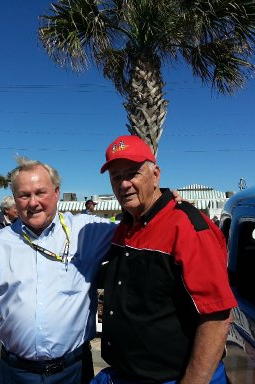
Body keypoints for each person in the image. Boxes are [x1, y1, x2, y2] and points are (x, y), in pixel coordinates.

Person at [0, 157, 117, 384]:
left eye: (40, 192)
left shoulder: (87, 231)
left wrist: (172, 205)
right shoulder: (3, 241)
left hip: (72, 372)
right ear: (15, 200)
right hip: (15, 373)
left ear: (57, 193)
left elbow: (140, 225)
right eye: (24, 195)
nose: (33, 202)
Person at [92, 135, 238, 384]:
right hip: (124, 373)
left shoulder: (187, 226)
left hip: (173, 377)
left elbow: (218, 316)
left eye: (132, 173)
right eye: (116, 177)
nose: (124, 184)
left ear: (155, 175)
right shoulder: (124, 227)